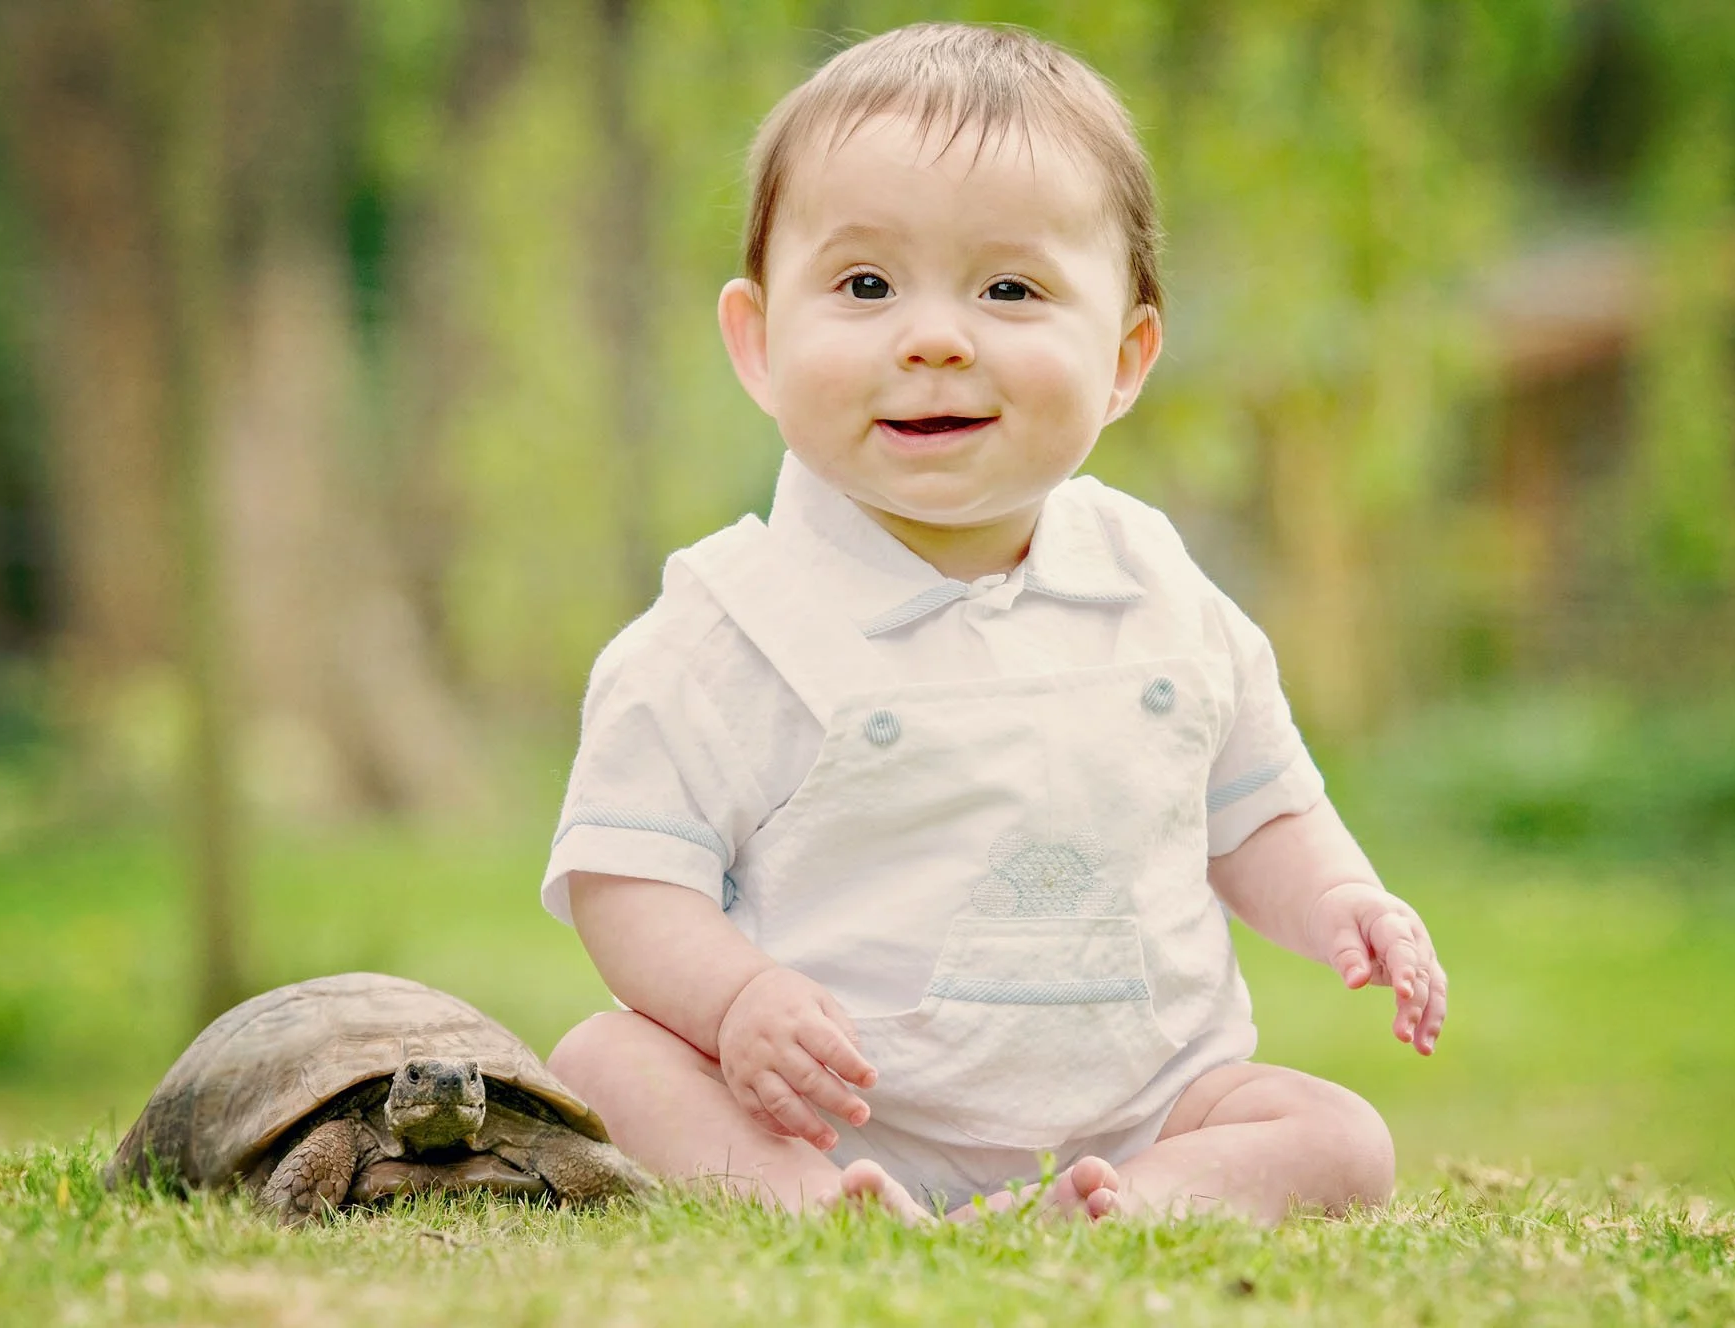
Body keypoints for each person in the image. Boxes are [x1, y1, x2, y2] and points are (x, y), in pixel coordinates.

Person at [542, 21, 1447, 1225]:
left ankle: (1126, 1204)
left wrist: (1341, 896)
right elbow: (625, 875)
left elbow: (1256, 804)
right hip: (824, 1111)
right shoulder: (722, 627)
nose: (933, 337)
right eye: (864, 285)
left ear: (1123, 358)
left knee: (1339, 1138)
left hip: (1144, 1100)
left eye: (1008, 289)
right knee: (606, 1061)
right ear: (757, 343)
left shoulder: (1158, 588)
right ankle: (821, 1205)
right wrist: (731, 1000)